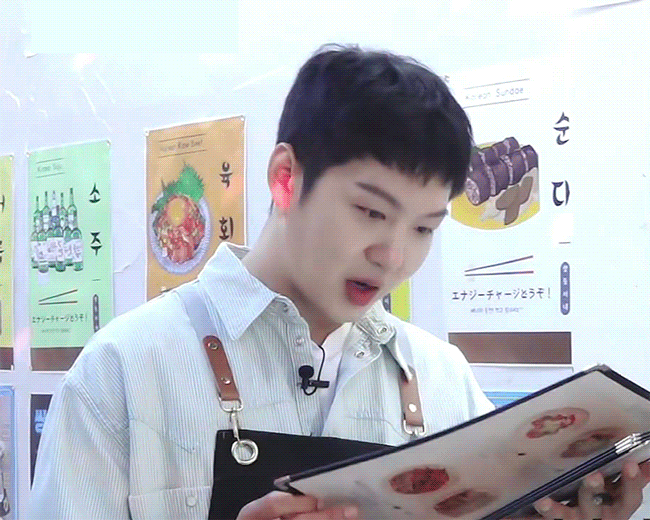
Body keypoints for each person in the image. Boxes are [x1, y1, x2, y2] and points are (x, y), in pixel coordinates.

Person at [30, 45, 649, 520]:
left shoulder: (441, 378)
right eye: (371, 212)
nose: (393, 256)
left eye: (424, 228)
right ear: (285, 177)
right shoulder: (122, 373)